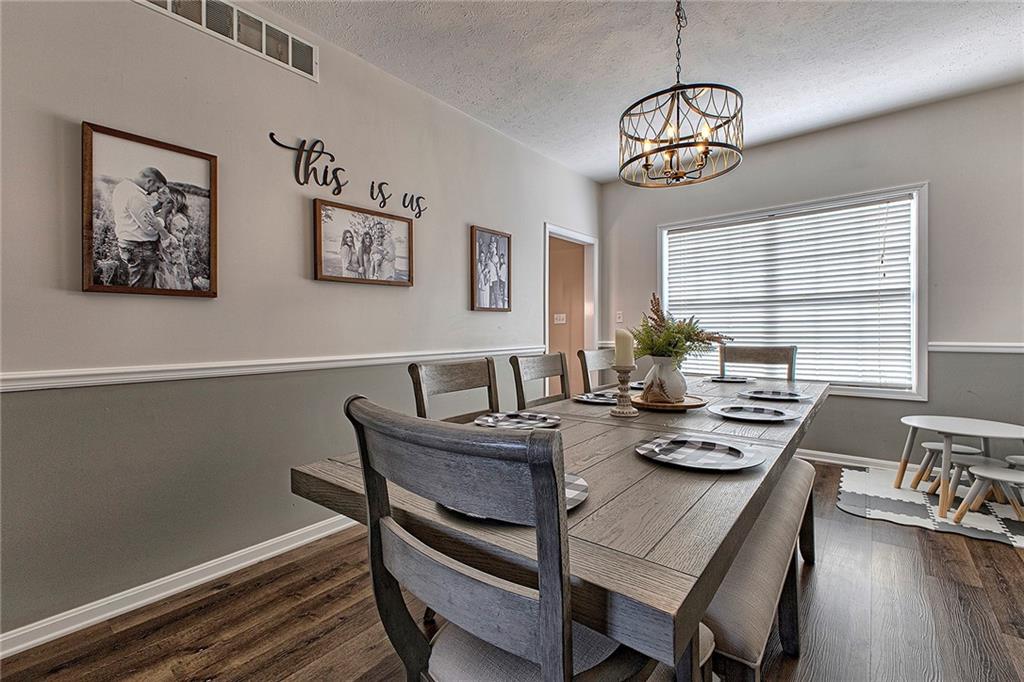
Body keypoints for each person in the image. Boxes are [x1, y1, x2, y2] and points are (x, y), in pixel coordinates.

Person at [111, 167, 167, 287]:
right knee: (142, 288)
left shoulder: (123, 187)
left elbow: (136, 214)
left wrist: (158, 206)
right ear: (150, 181)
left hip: (127, 244)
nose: (155, 192)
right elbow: (151, 229)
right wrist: (164, 212)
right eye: (157, 188)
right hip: (140, 248)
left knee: (133, 282)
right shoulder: (137, 196)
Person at [155, 188, 193, 290]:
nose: (159, 193)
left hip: (172, 263)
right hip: (161, 261)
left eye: (164, 193)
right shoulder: (162, 213)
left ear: (172, 200)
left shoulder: (179, 219)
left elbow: (175, 247)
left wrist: (161, 230)